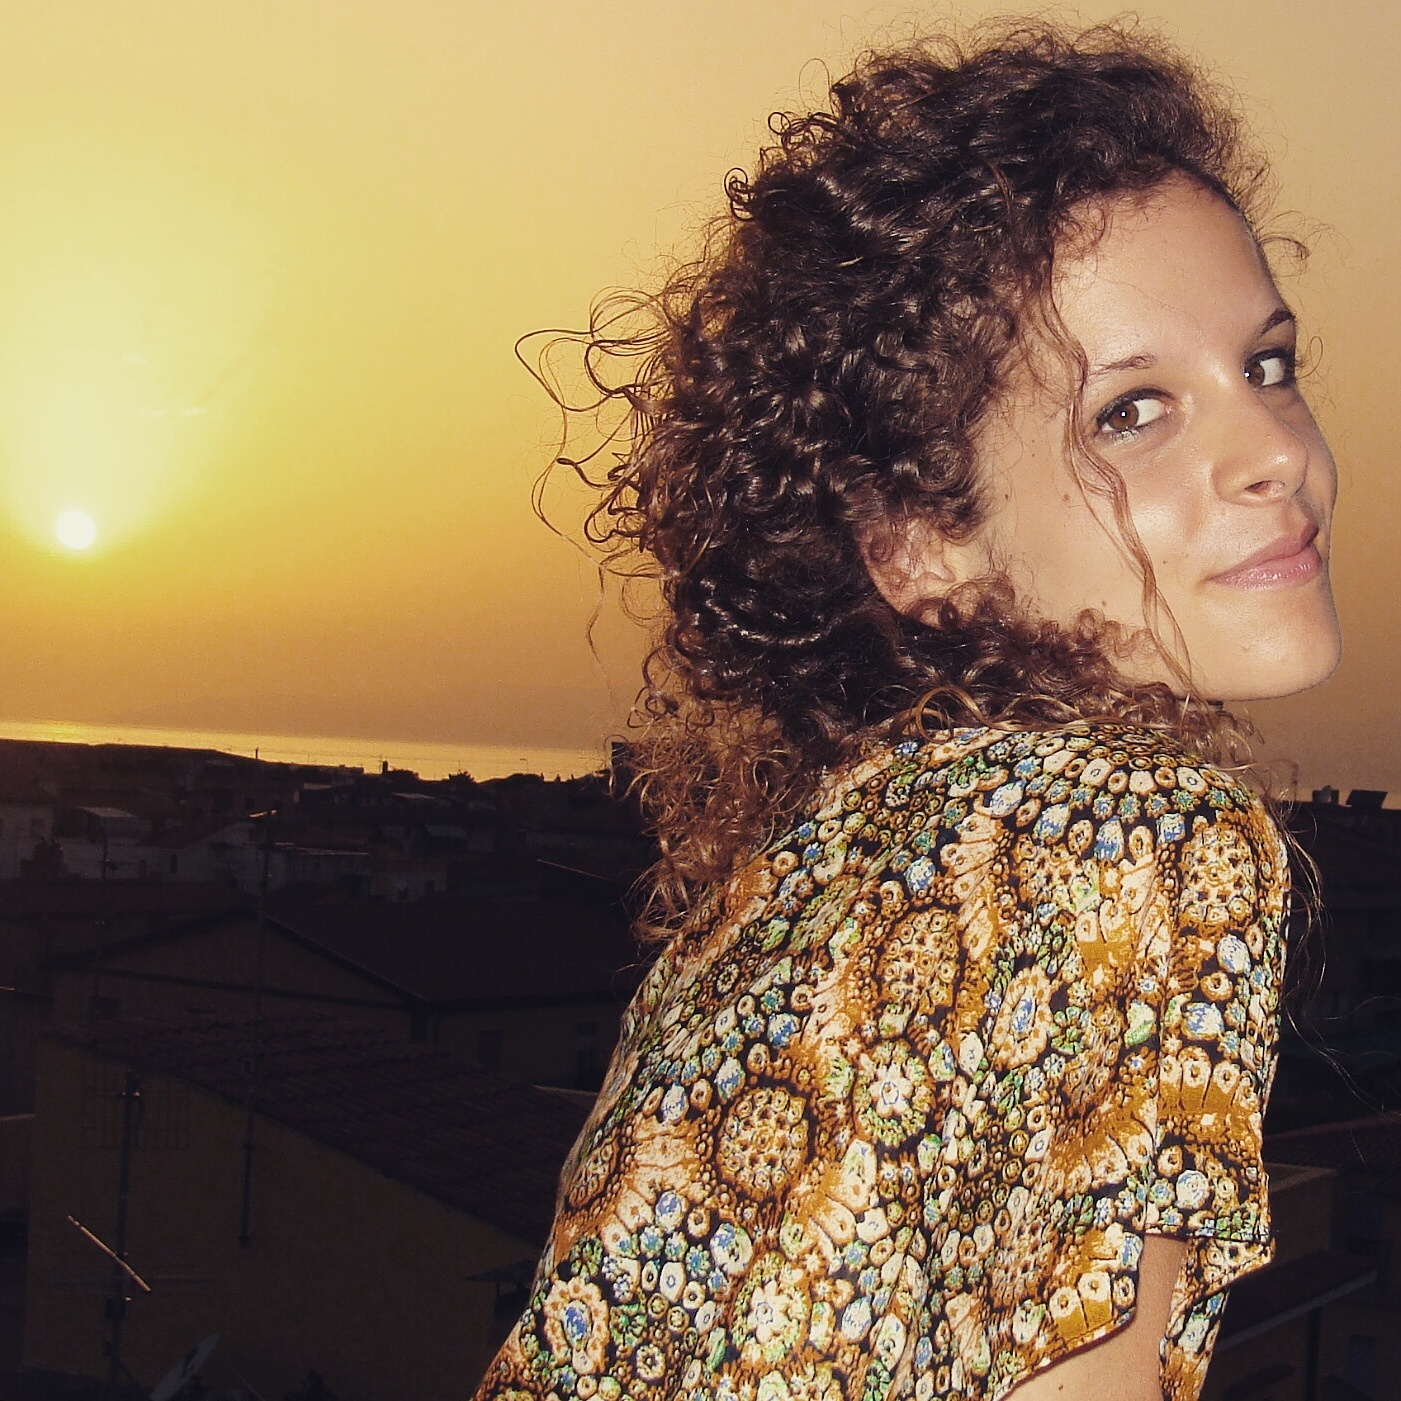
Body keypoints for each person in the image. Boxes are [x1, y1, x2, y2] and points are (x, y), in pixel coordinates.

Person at [476, 20, 1340, 1401]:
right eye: (1129, 412)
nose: (1273, 455)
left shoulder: (816, 865)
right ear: (922, 544)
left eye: (1267, 366)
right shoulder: (1140, 831)